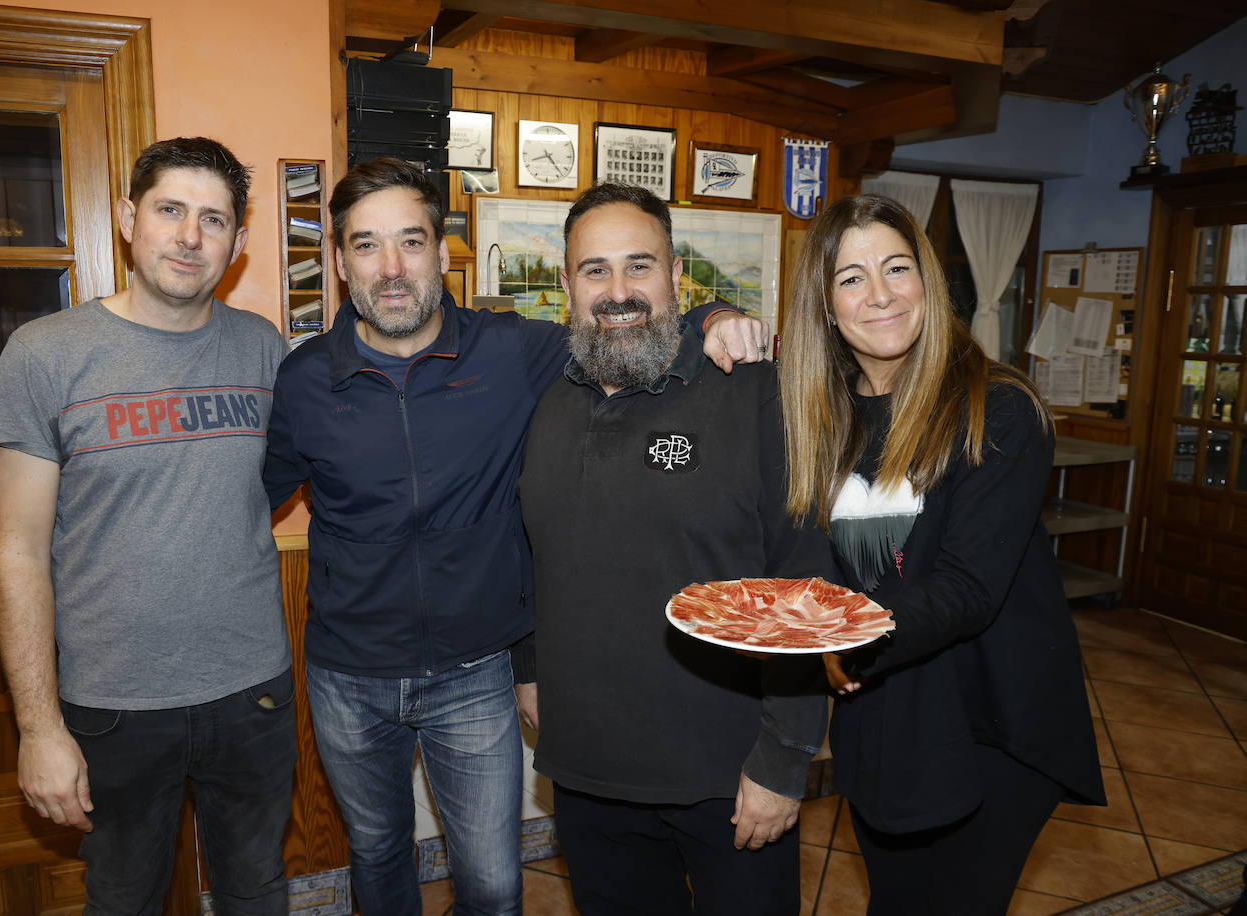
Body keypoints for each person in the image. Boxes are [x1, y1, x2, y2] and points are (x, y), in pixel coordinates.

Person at [262, 158, 767, 916]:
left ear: (441, 250)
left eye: (411, 241)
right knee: (375, 855)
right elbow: (254, 498)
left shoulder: (513, 352)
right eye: (367, 246)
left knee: (496, 885)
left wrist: (713, 315)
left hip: (474, 672)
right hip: (349, 675)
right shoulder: (303, 380)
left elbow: (623, 319)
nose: (392, 268)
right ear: (339, 262)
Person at [0, 137, 296, 915]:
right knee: (122, 901)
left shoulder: (263, 350)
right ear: (128, 218)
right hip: (111, 707)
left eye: (213, 219)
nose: (190, 236)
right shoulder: (44, 355)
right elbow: (15, 552)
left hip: (251, 693)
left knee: (257, 892)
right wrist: (39, 728)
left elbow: (279, 486)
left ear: (239, 243)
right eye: (170, 210)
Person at [778, 193, 1105, 914]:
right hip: (885, 720)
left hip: (988, 722)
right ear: (825, 307)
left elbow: (965, 587)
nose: (882, 294)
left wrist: (842, 641)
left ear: (927, 281)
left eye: (898, 268)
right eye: (852, 278)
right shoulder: (825, 420)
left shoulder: (1000, 408)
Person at [516, 183, 834, 915]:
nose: (618, 291)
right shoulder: (545, 402)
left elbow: (803, 579)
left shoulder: (753, 392)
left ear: (677, 277)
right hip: (590, 774)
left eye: (640, 266)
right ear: (566, 285)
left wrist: (785, 762)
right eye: (595, 270)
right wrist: (529, 668)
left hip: (729, 776)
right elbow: (530, 553)